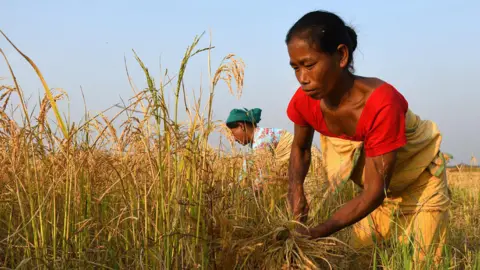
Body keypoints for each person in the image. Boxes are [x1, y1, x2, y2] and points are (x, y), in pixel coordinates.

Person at [285, 10, 450, 264]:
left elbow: (375, 192)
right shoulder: (305, 102)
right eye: (295, 68)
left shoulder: (382, 104)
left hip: (420, 184)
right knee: (359, 261)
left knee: (421, 263)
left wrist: (316, 232)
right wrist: (296, 190)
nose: (302, 79)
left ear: (341, 55)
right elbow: (301, 150)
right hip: (378, 192)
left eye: (309, 65)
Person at [225, 108, 298, 190]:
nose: (234, 138)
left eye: (233, 133)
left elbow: (262, 177)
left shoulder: (261, 140)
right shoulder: (254, 143)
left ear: (241, 126)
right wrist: (238, 185)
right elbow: (246, 168)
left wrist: (247, 192)